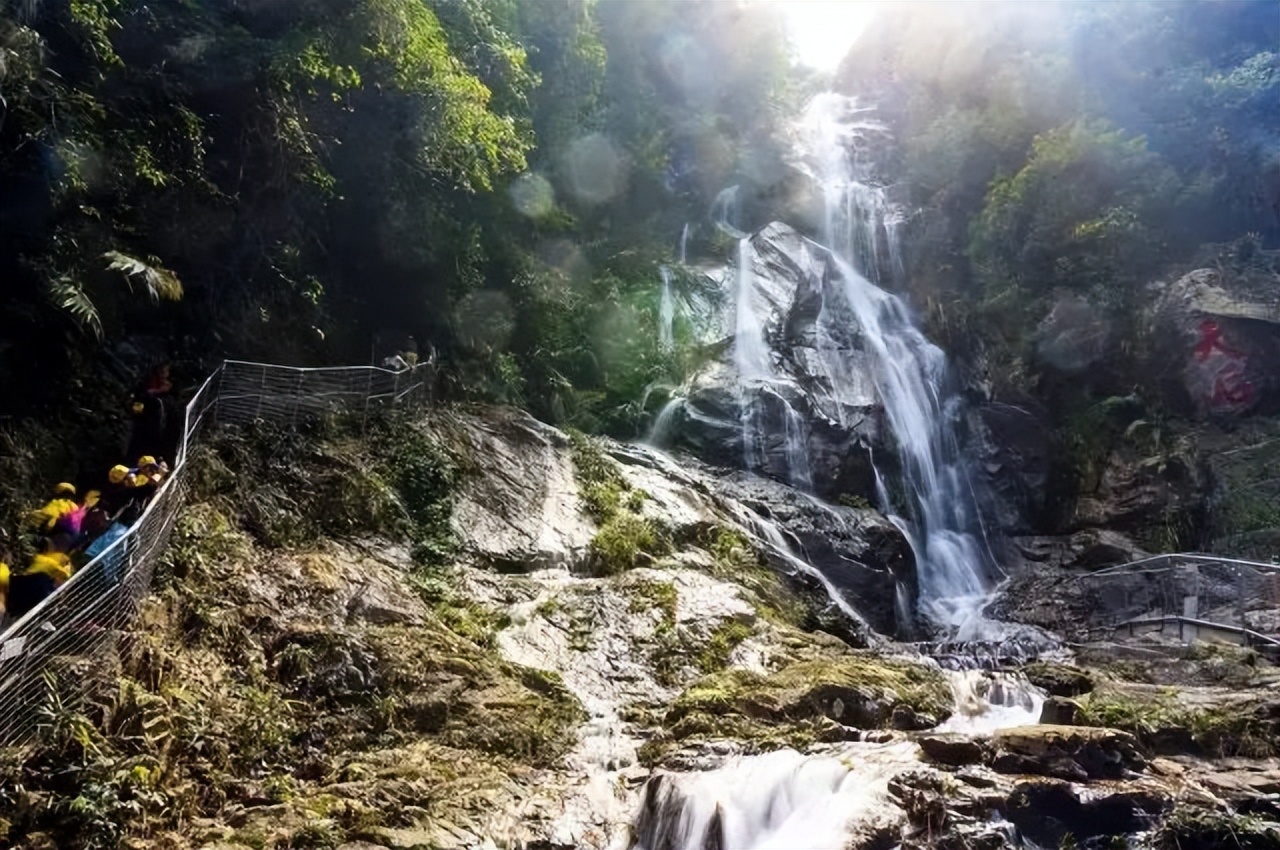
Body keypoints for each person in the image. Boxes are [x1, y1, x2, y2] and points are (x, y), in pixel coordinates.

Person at [5, 543, 72, 620]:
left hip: (10, 597)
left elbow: (16, 582)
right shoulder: (46, 586)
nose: (62, 581)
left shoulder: (43, 580)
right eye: (63, 578)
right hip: (12, 605)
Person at [127, 363, 174, 462]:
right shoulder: (145, 386)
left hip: (160, 428)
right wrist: (155, 391)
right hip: (144, 426)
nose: (164, 375)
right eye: (161, 372)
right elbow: (137, 405)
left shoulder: (169, 390)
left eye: (166, 372)